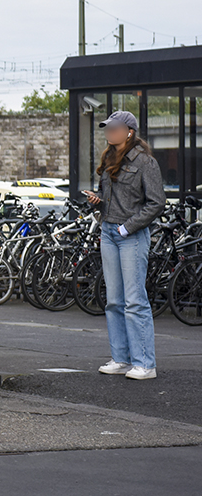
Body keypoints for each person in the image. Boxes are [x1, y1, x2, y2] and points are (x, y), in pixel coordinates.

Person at [84, 110, 165, 381]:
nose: (109, 132)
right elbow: (110, 198)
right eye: (107, 128)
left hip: (130, 235)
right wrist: (97, 202)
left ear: (129, 131)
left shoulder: (145, 162)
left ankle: (145, 363)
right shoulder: (109, 158)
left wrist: (127, 227)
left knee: (134, 300)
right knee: (114, 301)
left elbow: (157, 203)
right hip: (108, 231)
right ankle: (121, 358)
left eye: (114, 128)